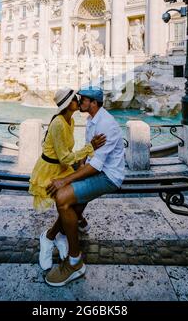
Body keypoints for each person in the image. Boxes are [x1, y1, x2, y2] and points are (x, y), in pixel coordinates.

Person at [44, 86, 125, 287]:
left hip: (108, 177)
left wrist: (66, 179)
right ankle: (58, 232)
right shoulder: (91, 121)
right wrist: (78, 168)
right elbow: (90, 157)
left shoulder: (106, 125)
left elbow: (97, 165)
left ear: (94, 103)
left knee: (62, 199)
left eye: (83, 99)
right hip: (96, 170)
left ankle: (74, 261)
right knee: (71, 204)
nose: (79, 101)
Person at [29, 87, 106, 271]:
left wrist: (80, 163)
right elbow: (64, 157)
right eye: (75, 99)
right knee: (70, 200)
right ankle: (49, 237)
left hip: (62, 167)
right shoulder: (59, 124)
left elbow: (67, 154)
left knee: (82, 193)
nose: (79, 101)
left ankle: (60, 234)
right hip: (49, 171)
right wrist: (89, 148)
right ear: (68, 104)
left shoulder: (69, 120)